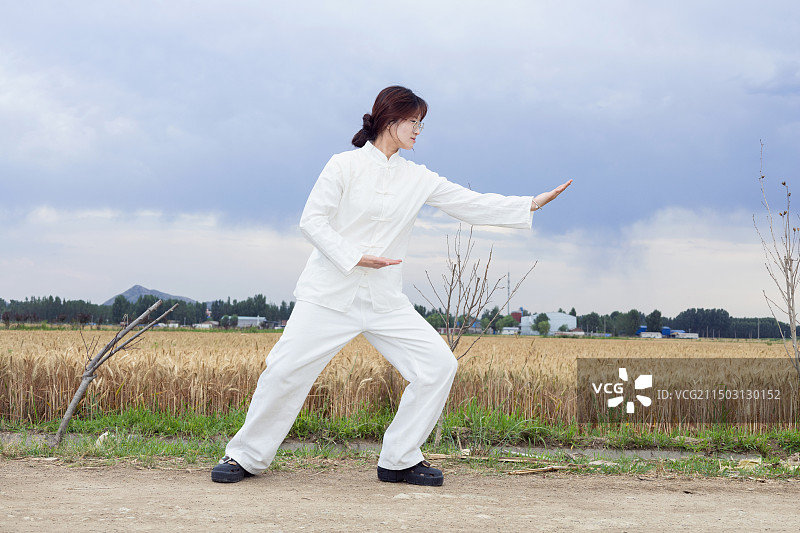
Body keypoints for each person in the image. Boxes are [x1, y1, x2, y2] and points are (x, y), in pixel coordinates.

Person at [211, 86, 572, 486]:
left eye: (421, 123)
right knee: (284, 371)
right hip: (328, 294)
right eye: (413, 122)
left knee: (438, 366)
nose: (418, 130)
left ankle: (399, 458)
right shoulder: (343, 166)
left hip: (384, 299)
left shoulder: (418, 178)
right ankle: (245, 456)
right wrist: (354, 256)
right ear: (389, 119)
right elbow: (312, 221)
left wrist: (530, 204)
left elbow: (469, 203)